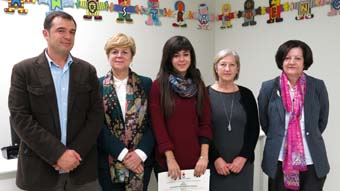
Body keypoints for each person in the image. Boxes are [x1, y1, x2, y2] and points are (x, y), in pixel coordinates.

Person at [8, 11, 103, 191]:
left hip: (82, 170)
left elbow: (96, 116)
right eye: (61, 30)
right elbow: (20, 117)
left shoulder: (87, 71)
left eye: (72, 32)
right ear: (46, 34)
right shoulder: (24, 70)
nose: (68, 36)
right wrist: (58, 154)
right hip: (39, 171)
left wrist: (73, 156)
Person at [258, 40, 330, 191]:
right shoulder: (269, 87)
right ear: (281, 60)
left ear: (305, 62)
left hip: (312, 160)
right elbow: (265, 122)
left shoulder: (317, 86)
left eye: (297, 58)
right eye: (287, 58)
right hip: (279, 159)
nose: (292, 62)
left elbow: (322, 121)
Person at [97, 33, 155, 191]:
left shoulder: (146, 84)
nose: (119, 56)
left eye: (125, 52)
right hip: (109, 161)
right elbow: (97, 126)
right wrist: (123, 154)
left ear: (132, 56)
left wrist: (139, 154)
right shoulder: (98, 85)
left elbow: (154, 123)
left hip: (141, 162)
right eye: (114, 51)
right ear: (108, 55)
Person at [149, 35, 212, 180]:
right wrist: (170, 159)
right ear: (168, 59)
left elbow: (205, 124)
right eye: (176, 55)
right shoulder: (158, 86)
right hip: (168, 163)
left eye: (186, 54)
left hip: (197, 163)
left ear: (192, 57)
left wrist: (204, 157)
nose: (182, 59)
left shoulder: (198, 84)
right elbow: (158, 127)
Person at [208, 49, 259, 191]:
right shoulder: (204, 95)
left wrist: (243, 157)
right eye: (223, 64)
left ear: (237, 69)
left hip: (242, 165)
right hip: (213, 164)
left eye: (232, 65)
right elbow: (202, 130)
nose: (227, 69)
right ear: (215, 68)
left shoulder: (247, 94)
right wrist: (216, 159)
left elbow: (253, 129)